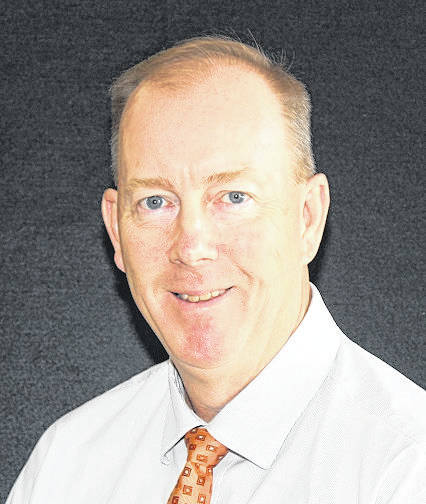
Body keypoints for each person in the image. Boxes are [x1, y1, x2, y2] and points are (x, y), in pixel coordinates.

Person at [6, 36, 426, 504]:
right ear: (116, 230)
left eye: (233, 197)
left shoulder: (407, 467)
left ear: (307, 217)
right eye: (155, 202)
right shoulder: (66, 465)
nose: (192, 247)